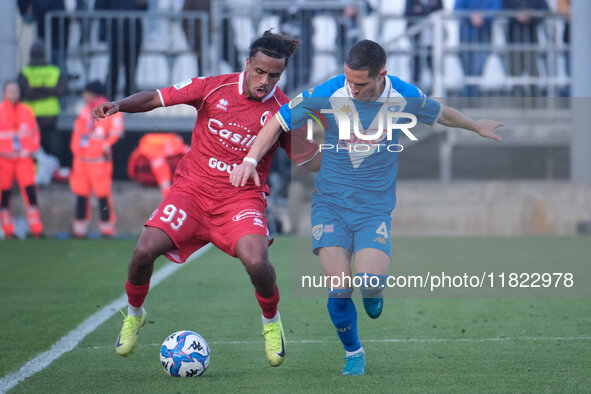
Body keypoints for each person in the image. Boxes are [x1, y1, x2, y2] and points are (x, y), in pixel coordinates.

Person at [230, 39, 503, 375]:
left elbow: (440, 112)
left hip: (374, 210)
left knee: (370, 282)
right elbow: (277, 122)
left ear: (381, 75)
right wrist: (249, 159)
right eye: (349, 81)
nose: (353, 89)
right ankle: (353, 353)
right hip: (330, 204)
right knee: (340, 287)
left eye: (360, 83)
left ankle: (374, 292)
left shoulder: (403, 95)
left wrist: (476, 125)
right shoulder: (329, 92)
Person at [90, 31, 320, 366]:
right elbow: (156, 98)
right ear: (248, 64)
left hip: (240, 200)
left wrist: (321, 145)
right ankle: (134, 315)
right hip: (192, 193)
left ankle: (271, 322)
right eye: (260, 72)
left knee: (257, 262)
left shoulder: (282, 111)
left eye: (275, 76)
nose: (266, 81)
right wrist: (119, 105)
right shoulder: (213, 87)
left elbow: (308, 159)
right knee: (143, 251)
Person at [70, 81, 123, 238]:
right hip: (81, 162)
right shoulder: (84, 111)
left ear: (93, 94)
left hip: (99, 162)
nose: (84, 96)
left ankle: (106, 228)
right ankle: (79, 229)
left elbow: (116, 135)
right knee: (80, 194)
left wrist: (104, 147)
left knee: (102, 194)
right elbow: (77, 134)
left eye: (86, 93)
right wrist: (76, 152)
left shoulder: (111, 111)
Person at [0, 81, 44, 239]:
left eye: (15, 90)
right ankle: (8, 231)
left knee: (30, 193)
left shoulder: (27, 111)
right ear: (4, 93)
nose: (13, 93)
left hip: (24, 159)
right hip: (4, 160)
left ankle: (36, 230)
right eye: (10, 91)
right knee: (3, 195)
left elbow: (35, 134)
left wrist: (29, 150)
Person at [18, 41, 67, 166]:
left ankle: (35, 170)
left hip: (31, 114)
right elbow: (61, 90)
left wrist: (36, 89)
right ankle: (52, 170)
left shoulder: (25, 72)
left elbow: (25, 93)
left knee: (31, 145)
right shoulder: (54, 71)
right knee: (50, 145)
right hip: (49, 114)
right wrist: (48, 91)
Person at [95, 0, 148, 99]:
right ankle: (109, 104)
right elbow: (98, 9)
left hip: (134, 35)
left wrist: (143, 4)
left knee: (131, 71)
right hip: (115, 35)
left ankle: (131, 103)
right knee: (114, 70)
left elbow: (143, 8)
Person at [454, 0, 503, 97]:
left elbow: (497, 8)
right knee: (467, 68)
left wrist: (483, 17)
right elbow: (457, 8)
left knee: (478, 68)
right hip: (466, 35)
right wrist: (470, 16)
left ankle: (473, 96)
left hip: (484, 36)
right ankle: (468, 98)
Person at [504, 0, 549, 96]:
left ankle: (535, 103)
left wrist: (531, 16)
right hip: (514, 40)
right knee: (515, 74)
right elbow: (503, 10)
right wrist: (515, 16)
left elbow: (544, 10)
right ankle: (517, 103)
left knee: (533, 73)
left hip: (531, 41)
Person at [404, 0, 443, 87]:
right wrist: (429, 10)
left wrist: (421, 10)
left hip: (433, 40)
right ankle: (415, 95)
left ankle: (434, 92)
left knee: (435, 69)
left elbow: (441, 12)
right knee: (416, 70)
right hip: (417, 39)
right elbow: (407, 13)